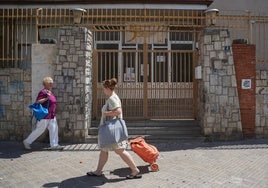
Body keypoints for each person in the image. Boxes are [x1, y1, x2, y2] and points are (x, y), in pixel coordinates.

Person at [87, 78, 142, 179]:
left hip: (112, 131)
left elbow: (118, 111)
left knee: (120, 150)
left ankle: (135, 170)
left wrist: (106, 113)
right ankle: (98, 171)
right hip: (112, 130)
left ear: (108, 88)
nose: (103, 90)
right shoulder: (113, 97)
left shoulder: (112, 98)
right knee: (104, 150)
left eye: (104, 88)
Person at [23, 76, 63, 150]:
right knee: (40, 130)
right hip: (45, 115)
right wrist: (47, 98)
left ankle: (54, 144)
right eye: (50, 83)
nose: (51, 84)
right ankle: (27, 141)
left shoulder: (50, 92)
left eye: (52, 83)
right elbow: (38, 101)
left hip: (51, 114)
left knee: (54, 129)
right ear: (45, 84)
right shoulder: (43, 92)